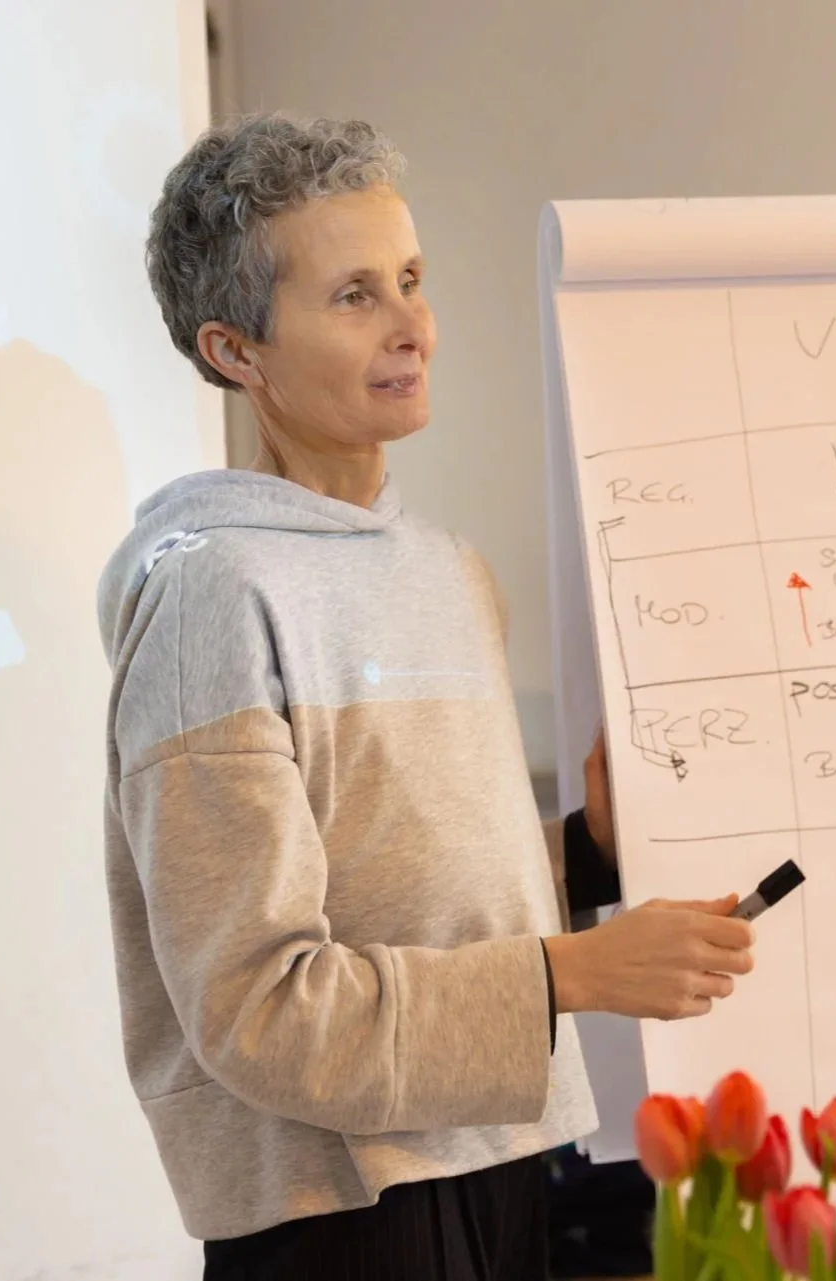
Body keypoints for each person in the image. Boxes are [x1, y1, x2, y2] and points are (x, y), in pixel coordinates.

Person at [96, 112, 757, 1281]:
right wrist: (575, 975)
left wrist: (585, 858)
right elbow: (258, 1010)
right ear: (236, 351)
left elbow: (417, 896)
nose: (414, 327)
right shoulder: (213, 596)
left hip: (516, 1165)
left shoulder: (450, 571)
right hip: (343, 1217)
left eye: (410, 279)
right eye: (354, 296)